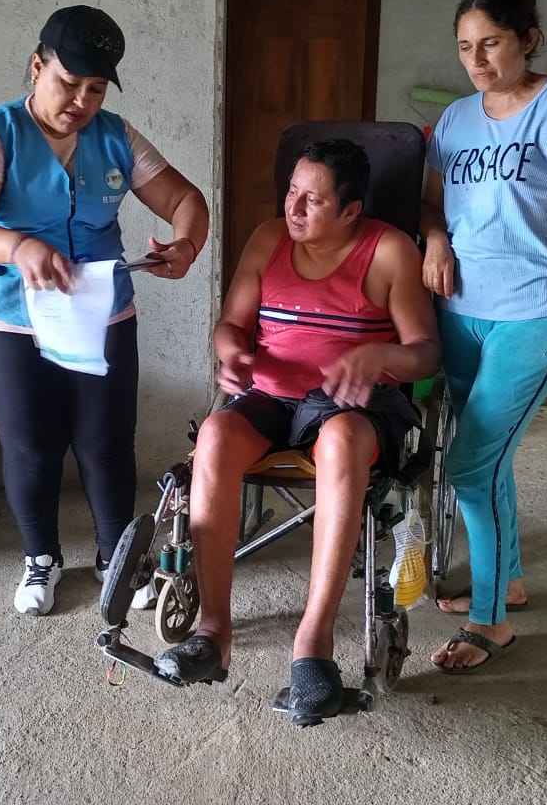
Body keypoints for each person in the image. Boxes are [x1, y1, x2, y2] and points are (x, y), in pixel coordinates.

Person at [154, 139, 439, 725]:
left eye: (314, 199)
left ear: (351, 210)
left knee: (339, 441)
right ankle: (212, 633)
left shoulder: (388, 251)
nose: (295, 208)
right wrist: (232, 353)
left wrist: (380, 354)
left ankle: (313, 645)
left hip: (351, 404)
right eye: (291, 192)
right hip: (272, 396)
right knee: (214, 437)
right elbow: (231, 325)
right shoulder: (267, 239)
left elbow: (425, 353)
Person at [0, 4, 209, 616]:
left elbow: (186, 199)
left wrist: (187, 245)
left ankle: (117, 558)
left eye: (96, 89)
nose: (81, 101)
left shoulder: (115, 136)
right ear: (37, 67)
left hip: (101, 315)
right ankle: (41, 558)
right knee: (30, 444)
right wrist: (17, 246)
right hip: (12, 318)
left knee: (105, 442)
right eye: (68, 83)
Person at [420, 0, 547, 672]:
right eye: (465, 48)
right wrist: (435, 240)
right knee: (490, 457)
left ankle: (491, 623)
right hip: (459, 311)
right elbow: (430, 205)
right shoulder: (454, 120)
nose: (477, 61)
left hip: (536, 310)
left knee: (470, 464)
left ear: (529, 39)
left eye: (492, 43)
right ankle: (505, 579)